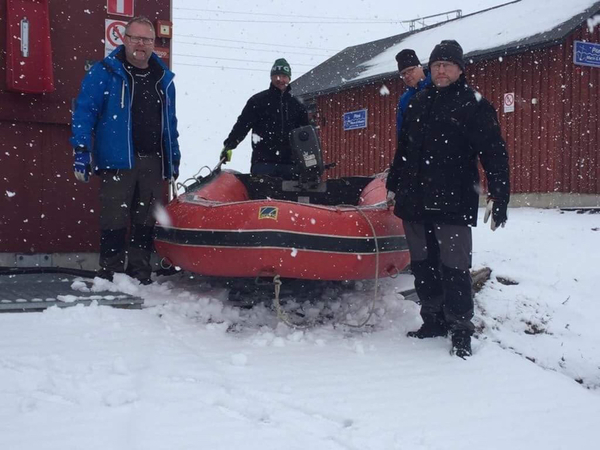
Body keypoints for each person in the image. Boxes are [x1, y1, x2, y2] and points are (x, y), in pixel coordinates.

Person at [386, 40, 510, 358]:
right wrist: (393, 182)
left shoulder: (474, 104)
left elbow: (494, 153)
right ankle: (433, 321)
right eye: (437, 65)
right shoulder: (418, 101)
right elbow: (405, 149)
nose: (441, 70)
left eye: (447, 65)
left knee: (454, 267)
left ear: (460, 69)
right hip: (414, 198)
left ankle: (460, 329)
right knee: (423, 265)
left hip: (452, 200)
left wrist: (500, 194)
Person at [70, 16, 180, 285]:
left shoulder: (163, 79)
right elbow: (84, 113)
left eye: (147, 39)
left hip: (153, 162)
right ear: (124, 39)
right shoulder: (105, 72)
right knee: (114, 218)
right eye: (136, 38)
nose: (141, 44)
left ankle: (140, 272)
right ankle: (110, 272)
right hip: (117, 160)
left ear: (154, 44)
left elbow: (170, 123)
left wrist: (173, 157)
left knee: (145, 220)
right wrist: (82, 150)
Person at [221, 58, 309, 178]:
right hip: (263, 164)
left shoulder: (297, 105)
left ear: (289, 78)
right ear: (271, 77)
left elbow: (307, 133)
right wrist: (229, 146)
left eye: (284, 76)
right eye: (277, 76)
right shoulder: (257, 101)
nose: (280, 80)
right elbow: (242, 125)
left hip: (291, 165)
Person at [395, 49, 431, 143]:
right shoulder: (404, 100)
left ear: (420, 67)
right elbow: (402, 133)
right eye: (403, 74)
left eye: (410, 71)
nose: (407, 76)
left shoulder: (438, 86)